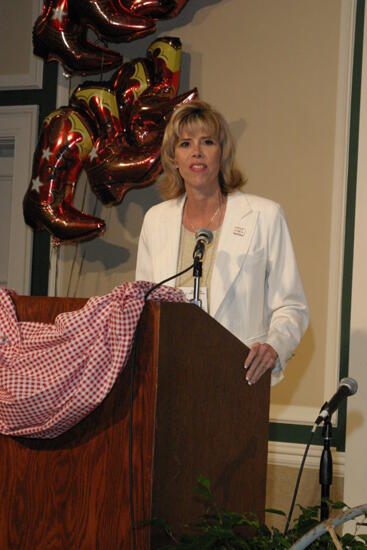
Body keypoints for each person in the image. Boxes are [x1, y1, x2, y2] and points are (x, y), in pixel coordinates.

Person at [135, 99, 309, 385]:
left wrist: (274, 346)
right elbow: (141, 306)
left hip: (238, 381)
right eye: (185, 144)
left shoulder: (265, 216)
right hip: (168, 380)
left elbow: (292, 306)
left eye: (207, 142)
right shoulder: (156, 221)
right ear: (173, 159)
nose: (197, 153)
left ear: (222, 153)